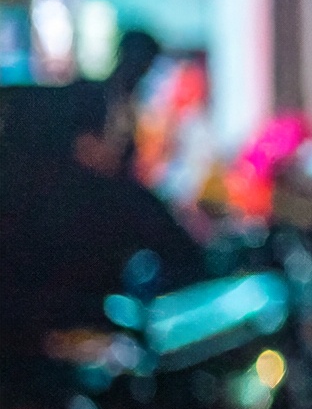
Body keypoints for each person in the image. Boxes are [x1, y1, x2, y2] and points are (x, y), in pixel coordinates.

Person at [0, 81, 207, 358]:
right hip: (76, 369)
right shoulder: (109, 198)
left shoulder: (21, 194)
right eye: (113, 130)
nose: (121, 142)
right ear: (85, 140)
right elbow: (186, 255)